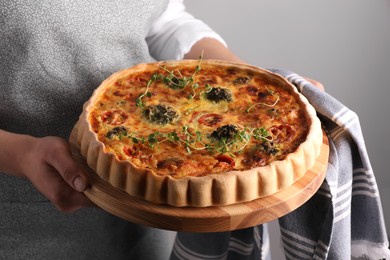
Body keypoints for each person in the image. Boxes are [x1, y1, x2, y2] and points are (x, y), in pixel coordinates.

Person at [0, 0, 329, 259]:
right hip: (23, 225)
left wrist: (245, 84)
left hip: (143, 209)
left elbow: (163, 18)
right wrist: (21, 154)